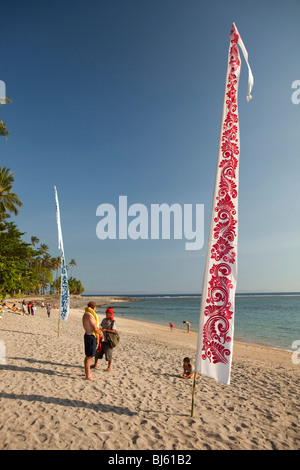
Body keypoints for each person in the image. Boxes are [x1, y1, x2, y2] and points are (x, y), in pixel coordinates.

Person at [82, 301, 103, 381]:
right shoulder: (90, 316)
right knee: (89, 356)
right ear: (94, 308)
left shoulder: (85, 314)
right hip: (90, 336)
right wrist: (100, 333)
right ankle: (87, 375)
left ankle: (87, 372)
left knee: (88, 355)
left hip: (87, 335)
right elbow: (95, 328)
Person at [92, 307, 116, 372]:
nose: (107, 314)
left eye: (108, 313)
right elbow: (101, 326)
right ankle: (95, 364)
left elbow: (114, 331)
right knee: (97, 352)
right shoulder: (104, 320)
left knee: (109, 355)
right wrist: (100, 329)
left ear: (111, 314)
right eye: (106, 313)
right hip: (102, 339)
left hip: (108, 341)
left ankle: (109, 367)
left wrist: (106, 330)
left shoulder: (112, 321)